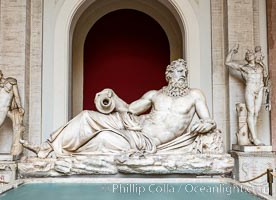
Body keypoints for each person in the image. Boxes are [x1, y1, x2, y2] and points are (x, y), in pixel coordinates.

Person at [21, 59, 218, 158]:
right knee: (86, 116)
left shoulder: (195, 95)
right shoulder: (155, 94)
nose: (182, 74)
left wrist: (206, 125)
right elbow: (129, 109)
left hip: (145, 140)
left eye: (184, 72)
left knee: (103, 139)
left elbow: (208, 120)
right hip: (134, 124)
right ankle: (46, 147)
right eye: (178, 71)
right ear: (169, 74)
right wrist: (111, 95)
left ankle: (61, 153)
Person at [225, 44, 267, 145]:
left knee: (256, 113)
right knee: (251, 112)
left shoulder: (260, 66)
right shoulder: (244, 67)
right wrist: (232, 51)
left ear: (254, 56)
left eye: (250, 53)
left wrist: (262, 63)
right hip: (250, 89)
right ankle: (255, 138)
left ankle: (251, 137)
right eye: (247, 55)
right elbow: (227, 62)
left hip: (260, 88)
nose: (248, 55)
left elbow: (265, 77)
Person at [0, 68, 24, 154]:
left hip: (4, 109)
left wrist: (20, 106)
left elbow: (16, 96)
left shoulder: (11, 82)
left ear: (0, 72)